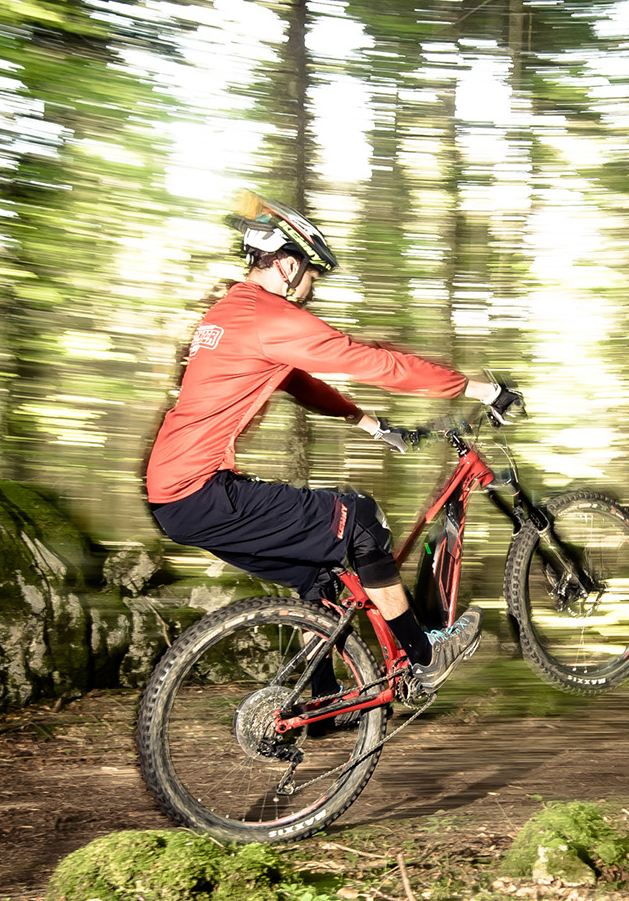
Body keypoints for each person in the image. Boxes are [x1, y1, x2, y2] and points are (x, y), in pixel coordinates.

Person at [145, 190, 522, 694]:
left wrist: (371, 424)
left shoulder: (230, 312)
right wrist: (480, 388)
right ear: (286, 265)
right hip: (203, 489)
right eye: (312, 275)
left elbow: (295, 379)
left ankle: (315, 704)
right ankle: (426, 657)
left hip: (173, 497)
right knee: (361, 519)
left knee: (319, 578)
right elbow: (378, 363)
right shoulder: (271, 316)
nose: (313, 289)